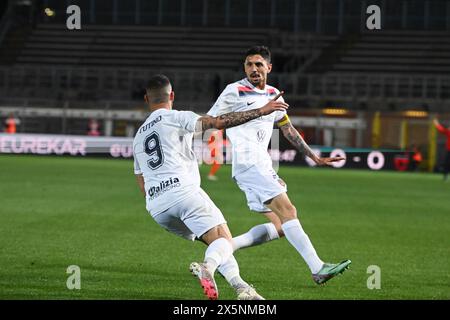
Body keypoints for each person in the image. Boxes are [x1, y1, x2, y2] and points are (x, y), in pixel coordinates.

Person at [133, 74, 288, 300]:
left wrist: (158, 197)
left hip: (157, 207)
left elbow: (141, 179)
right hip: (183, 193)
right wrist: (261, 111)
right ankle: (208, 267)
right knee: (224, 240)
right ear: (172, 95)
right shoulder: (177, 117)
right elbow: (218, 122)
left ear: (146, 98)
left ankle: (242, 289)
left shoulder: (139, 135)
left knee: (218, 242)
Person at [207, 46, 351, 285]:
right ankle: (318, 268)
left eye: (258, 64)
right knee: (289, 211)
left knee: (281, 226)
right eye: (249, 64)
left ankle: (218, 253)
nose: (253, 69)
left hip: (259, 166)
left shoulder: (274, 94)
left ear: (269, 68)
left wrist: (313, 156)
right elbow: (212, 122)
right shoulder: (234, 91)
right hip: (248, 162)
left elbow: (287, 129)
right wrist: (259, 111)